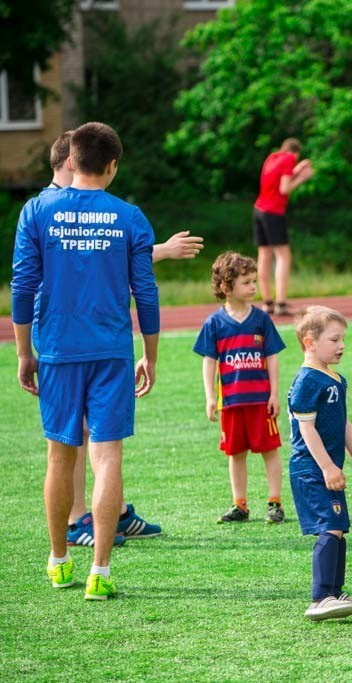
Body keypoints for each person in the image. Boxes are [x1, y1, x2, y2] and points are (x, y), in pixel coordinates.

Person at [11, 121, 160, 600]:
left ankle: (59, 561)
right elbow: (147, 294)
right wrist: (149, 356)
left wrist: (23, 353)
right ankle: (101, 570)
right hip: (112, 352)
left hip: (56, 349)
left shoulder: (36, 210)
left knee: (60, 455)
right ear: (113, 165)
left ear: (71, 161)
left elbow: (22, 288)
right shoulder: (130, 217)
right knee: (107, 455)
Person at [41, 131, 203, 547]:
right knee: (79, 442)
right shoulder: (50, 208)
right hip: (82, 339)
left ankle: (102, 519)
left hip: (69, 341)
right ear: (70, 164)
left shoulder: (48, 209)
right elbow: (114, 270)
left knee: (92, 440)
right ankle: (80, 519)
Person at [287, 306, 352, 620]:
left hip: (329, 467)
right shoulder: (307, 381)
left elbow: (343, 424)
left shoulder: (336, 378)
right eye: (334, 339)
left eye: (342, 339)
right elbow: (306, 428)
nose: (341, 345)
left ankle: (336, 593)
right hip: (311, 468)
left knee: (339, 527)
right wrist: (327, 467)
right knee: (330, 527)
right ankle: (320, 597)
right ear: (310, 343)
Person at [193, 252, 287, 524]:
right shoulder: (214, 323)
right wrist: (210, 397)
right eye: (246, 282)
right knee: (235, 453)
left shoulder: (261, 319)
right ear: (226, 287)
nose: (253, 287)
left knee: (270, 450)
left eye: (254, 281)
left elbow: (272, 357)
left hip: (260, 401)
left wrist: (274, 393)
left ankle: (275, 502)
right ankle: (240, 504)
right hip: (231, 402)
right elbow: (209, 362)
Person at [252, 138, 313, 316]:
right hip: (273, 212)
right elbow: (284, 188)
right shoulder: (288, 159)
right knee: (283, 256)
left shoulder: (272, 157)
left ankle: (267, 302)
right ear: (295, 153)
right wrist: (302, 177)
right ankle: (281, 302)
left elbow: (279, 178)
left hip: (259, 210)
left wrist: (297, 169)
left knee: (264, 255)